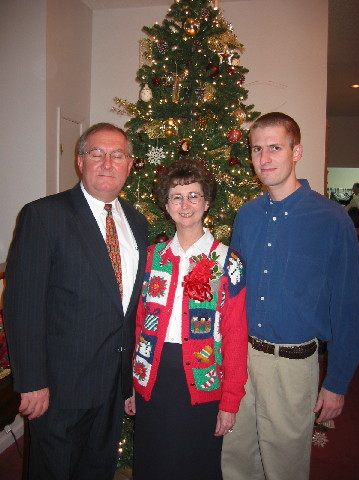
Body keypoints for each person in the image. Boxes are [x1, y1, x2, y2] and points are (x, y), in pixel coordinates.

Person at [3, 123, 148, 480]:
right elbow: (22, 305)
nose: (107, 163)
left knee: (97, 471)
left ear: (129, 164)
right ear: (81, 161)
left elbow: (128, 311)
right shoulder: (44, 216)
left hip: (112, 386)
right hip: (59, 388)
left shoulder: (137, 223)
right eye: (97, 153)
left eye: (117, 155)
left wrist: (129, 383)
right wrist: (32, 380)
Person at [222, 112, 359, 480]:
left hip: (293, 366)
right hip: (243, 359)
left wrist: (337, 381)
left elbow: (348, 306)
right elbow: (233, 291)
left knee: (285, 467)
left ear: (296, 151)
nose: (264, 159)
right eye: (256, 149)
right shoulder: (247, 216)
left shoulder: (331, 220)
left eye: (275, 148)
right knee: (236, 459)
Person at [124, 159, 248, 480]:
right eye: (176, 196)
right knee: (154, 462)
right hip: (155, 378)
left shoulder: (227, 261)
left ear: (207, 202)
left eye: (194, 195)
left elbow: (235, 336)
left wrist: (230, 401)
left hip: (202, 378)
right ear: (166, 205)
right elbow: (140, 325)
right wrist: (134, 384)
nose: (185, 204)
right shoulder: (152, 258)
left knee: (196, 465)